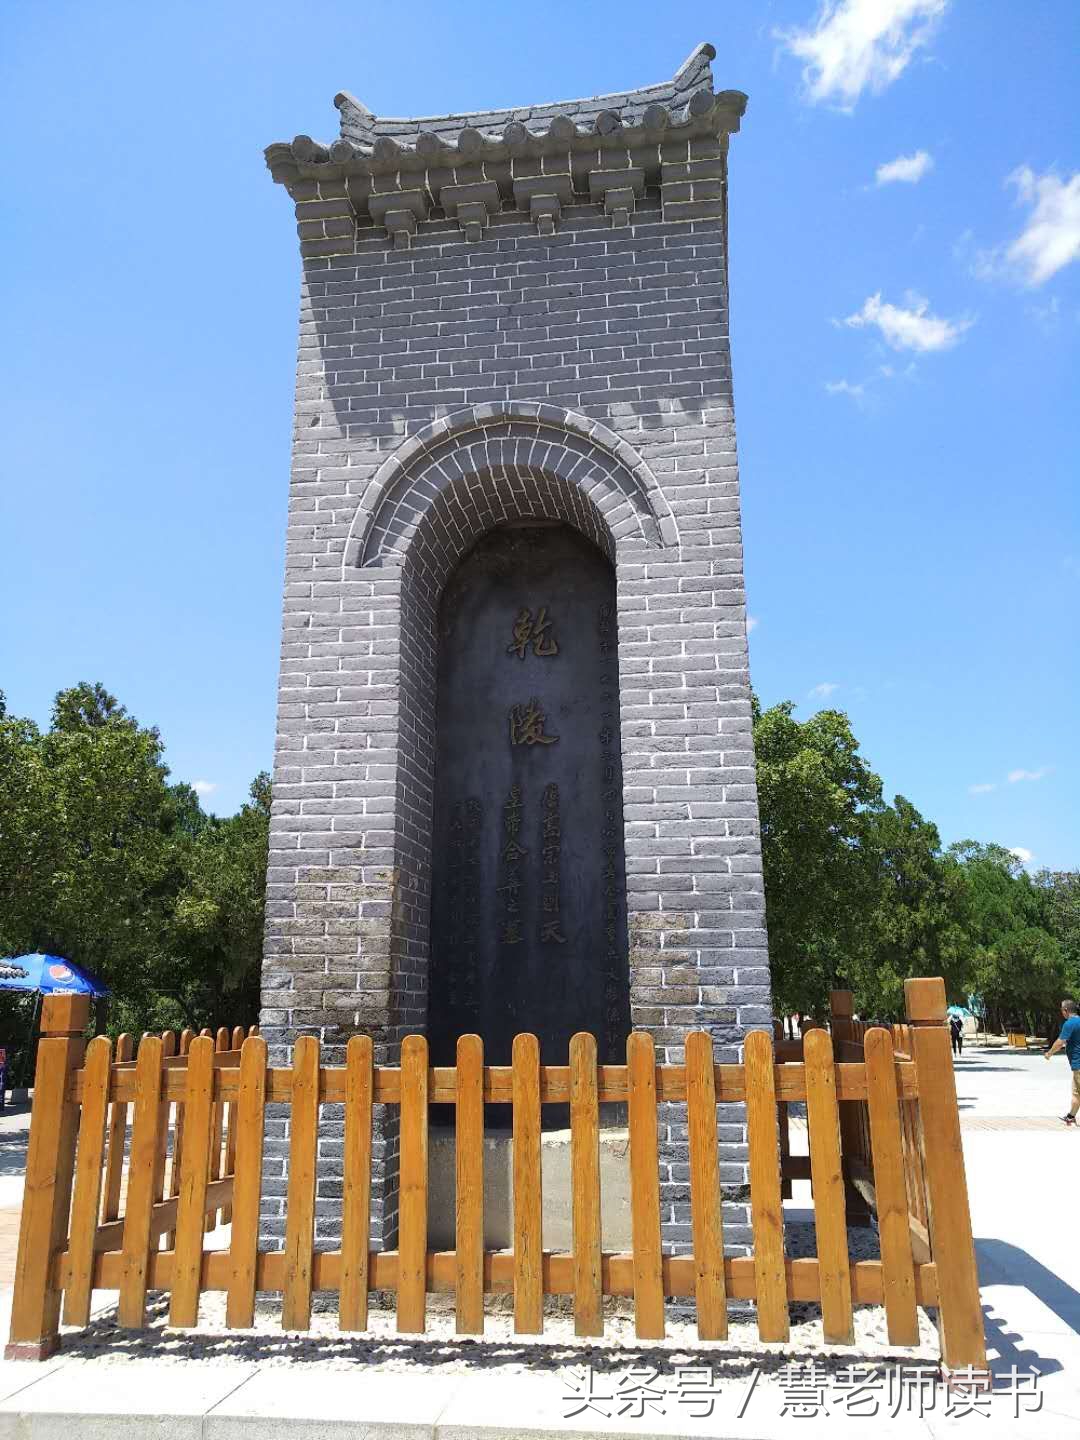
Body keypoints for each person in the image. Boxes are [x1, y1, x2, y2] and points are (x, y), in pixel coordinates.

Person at [1044, 998, 1080, 1126]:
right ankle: (1071, 1117)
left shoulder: (1069, 1024)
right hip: (1076, 1066)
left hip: (1078, 1064)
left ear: (1065, 1010)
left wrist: (1049, 1053)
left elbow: (1060, 1042)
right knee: (1076, 1092)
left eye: (1061, 1010)